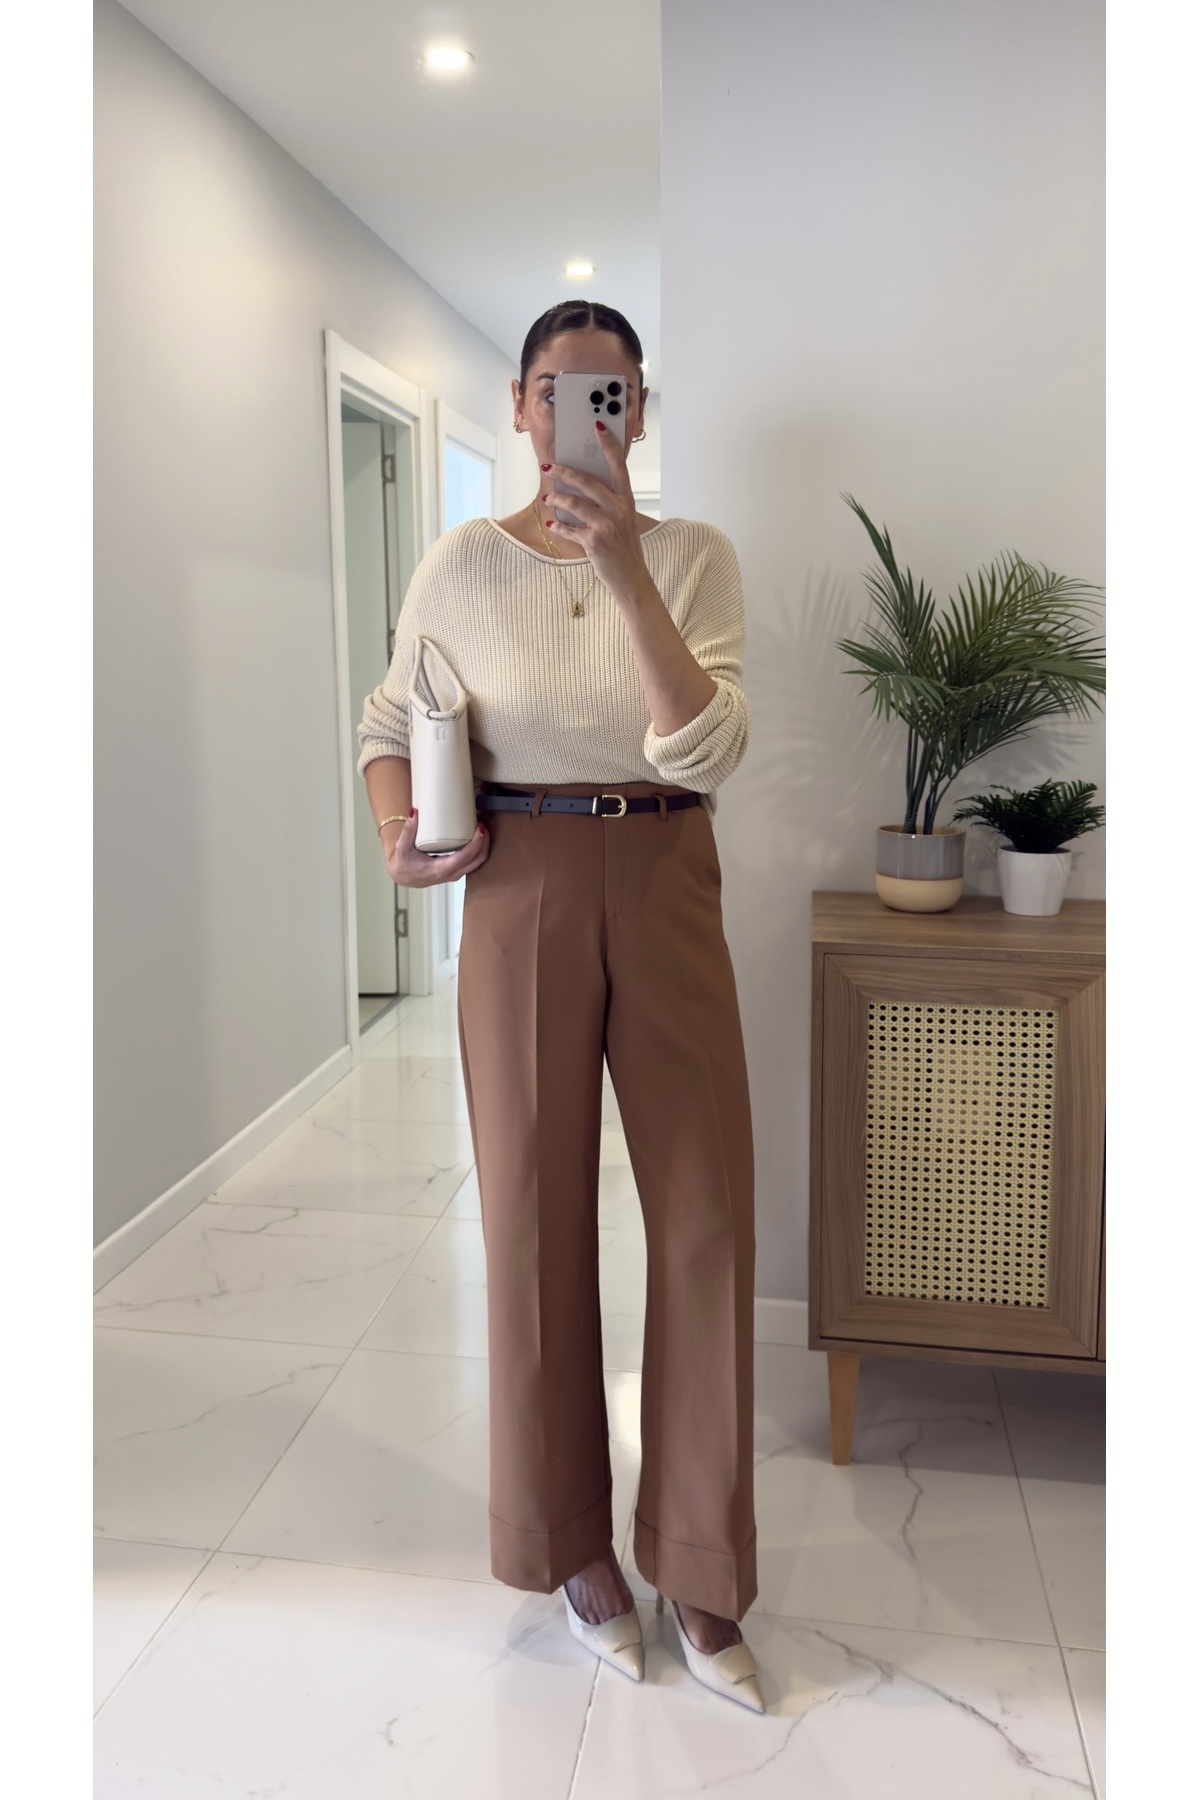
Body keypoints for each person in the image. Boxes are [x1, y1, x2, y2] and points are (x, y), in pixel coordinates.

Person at [357, 301, 762, 1713]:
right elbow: (389, 725)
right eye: (555, 389)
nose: (581, 412)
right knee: (531, 1214)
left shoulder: (696, 557)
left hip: (665, 870)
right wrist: (399, 830)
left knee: (706, 1214)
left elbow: (708, 746)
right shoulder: (462, 564)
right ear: (524, 407)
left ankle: (700, 1562)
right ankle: (571, 1545)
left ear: (636, 412)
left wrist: (626, 567)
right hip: (519, 880)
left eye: (610, 392)